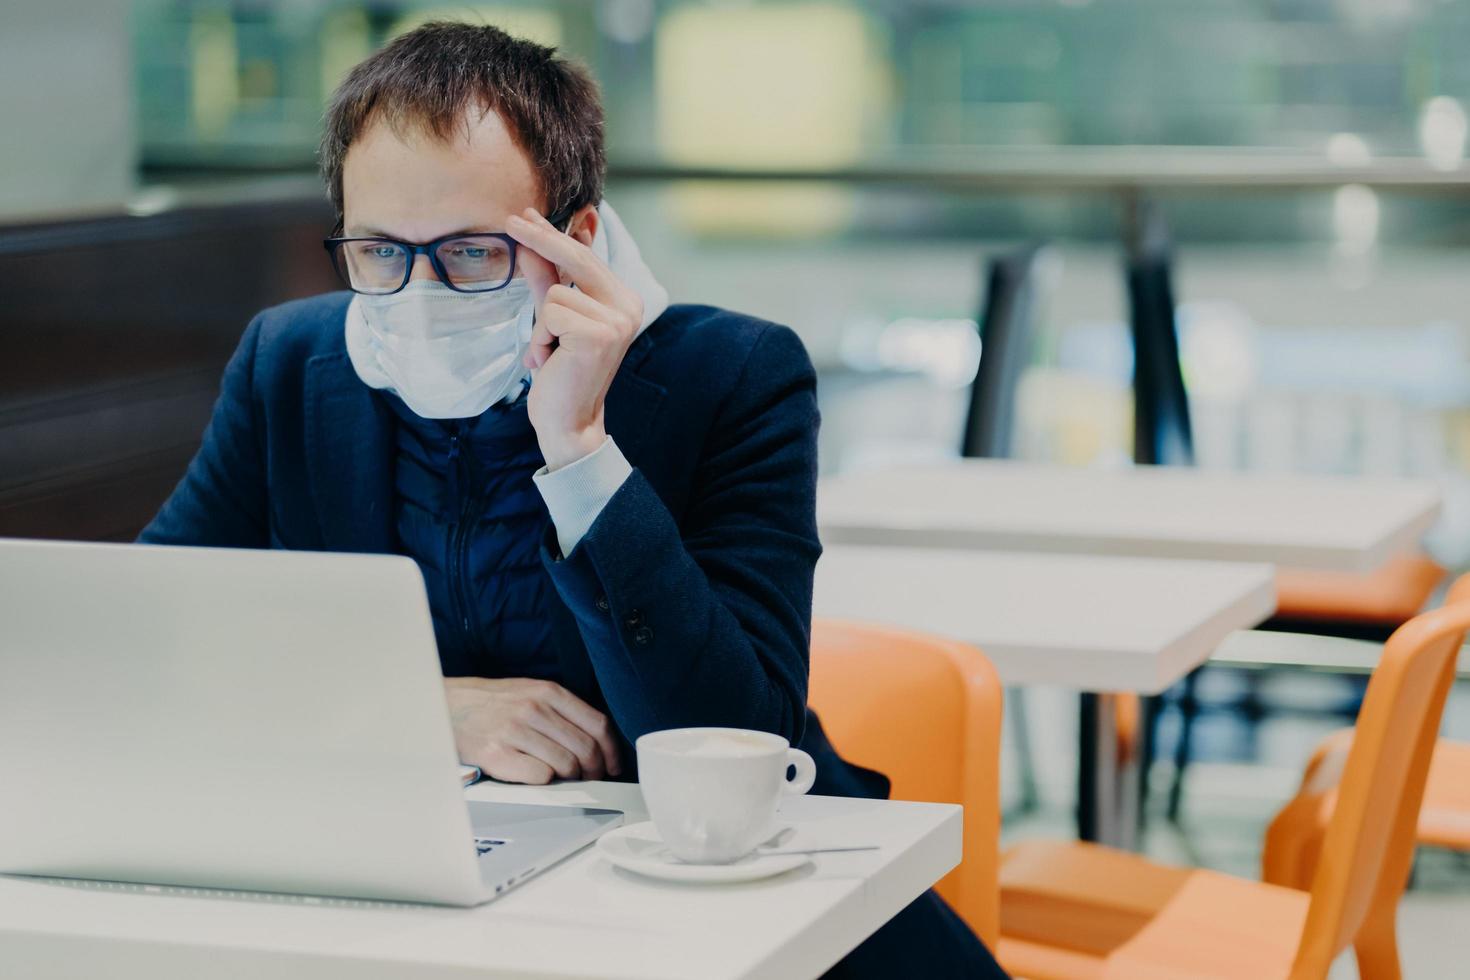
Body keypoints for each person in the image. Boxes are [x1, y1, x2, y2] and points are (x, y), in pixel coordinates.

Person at [140, 21, 1006, 979]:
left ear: (577, 238)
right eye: (380, 251)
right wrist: (427, 713)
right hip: (430, 901)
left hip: (732, 900)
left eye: (473, 252)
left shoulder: (733, 374)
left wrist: (579, 446)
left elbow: (736, 736)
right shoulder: (292, 364)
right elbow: (152, 640)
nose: (419, 293)